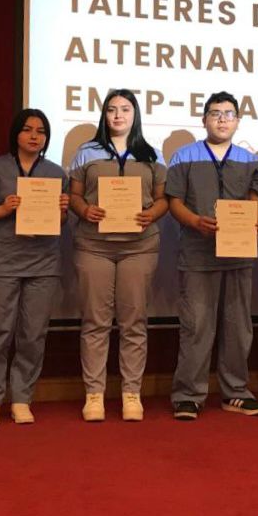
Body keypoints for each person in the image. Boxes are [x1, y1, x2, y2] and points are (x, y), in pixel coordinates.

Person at [166, 91, 258, 420]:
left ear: (238, 121)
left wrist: (257, 222)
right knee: (196, 326)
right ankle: (188, 395)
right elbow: (174, 202)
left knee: (238, 328)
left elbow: (255, 199)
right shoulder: (183, 156)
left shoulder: (250, 160)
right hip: (198, 255)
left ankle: (235, 392)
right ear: (204, 119)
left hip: (239, 256)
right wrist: (195, 221)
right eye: (215, 113)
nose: (222, 119)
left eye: (229, 114)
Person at [68, 90, 168, 422]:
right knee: (95, 321)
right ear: (104, 115)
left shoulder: (151, 154)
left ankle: (131, 393)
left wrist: (152, 214)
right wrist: (85, 210)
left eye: (125, 109)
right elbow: (74, 195)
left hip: (139, 247)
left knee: (133, 322)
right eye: (111, 109)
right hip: (94, 246)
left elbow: (163, 199)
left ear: (135, 114)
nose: (118, 115)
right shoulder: (86, 151)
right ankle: (94, 394)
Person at [0, 109, 69, 426]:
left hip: (43, 263)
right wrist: (4, 208)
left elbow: (60, 222)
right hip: (2, 262)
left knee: (32, 335)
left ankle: (21, 398)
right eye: (28, 129)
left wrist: (62, 210)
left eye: (41, 131)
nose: (34, 136)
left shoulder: (56, 173)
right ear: (16, 133)